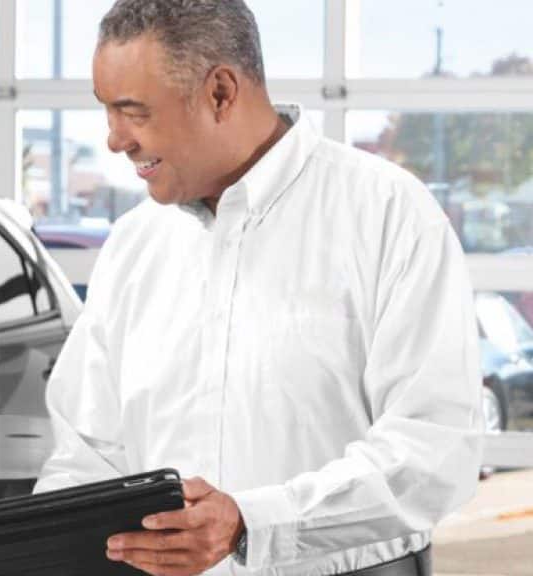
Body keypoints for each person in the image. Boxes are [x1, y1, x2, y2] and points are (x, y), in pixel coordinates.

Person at [34, 1, 483, 575]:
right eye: (107, 111)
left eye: (133, 112)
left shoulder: (388, 214)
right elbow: (87, 453)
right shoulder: (132, 245)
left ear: (221, 92)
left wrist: (251, 520)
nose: (115, 140)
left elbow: (434, 450)